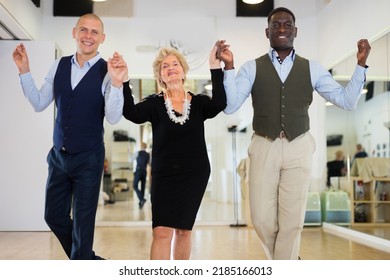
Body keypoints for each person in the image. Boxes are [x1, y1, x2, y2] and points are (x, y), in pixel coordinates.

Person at [217, 7, 371, 260]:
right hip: (264, 144)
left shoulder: (312, 68)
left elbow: (347, 101)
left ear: (295, 31)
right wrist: (229, 67)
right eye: (276, 25)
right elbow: (231, 105)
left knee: (293, 220)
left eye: (287, 24)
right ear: (267, 32)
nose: (281, 29)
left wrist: (360, 64)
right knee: (261, 218)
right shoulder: (251, 67)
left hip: (299, 145)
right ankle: (289, 261)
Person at [12, 13, 127, 260]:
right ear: (74, 33)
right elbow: (40, 103)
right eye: (83, 30)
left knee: (83, 227)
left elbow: (114, 117)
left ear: (102, 38)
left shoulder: (108, 72)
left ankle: (82, 262)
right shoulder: (59, 65)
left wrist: (117, 83)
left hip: (89, 157)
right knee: (53, 216)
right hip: (58, 157)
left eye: (94, 32)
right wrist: (24, 71)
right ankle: (88, 262)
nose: (88, 36)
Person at [122, 45, 226, 259]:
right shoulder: (154, 104)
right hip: (164, 176)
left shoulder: (198, 103)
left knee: (184, 231)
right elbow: (131, 113)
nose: (170, 68)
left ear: (183, 70)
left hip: (194, 175)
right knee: (161, 232)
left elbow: (220, 103)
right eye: (164, 66)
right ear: (159, 75)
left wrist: (215, 67)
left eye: (175, 64)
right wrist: (124, 81)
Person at [130, 142, 150, 209]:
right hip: (144, 171)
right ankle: (141, 202)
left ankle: (141, 199)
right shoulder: (148, 155)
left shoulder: (137, 153)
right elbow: (149, 163)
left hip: (138, 171)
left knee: (135, 186)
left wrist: (129, 153)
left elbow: (130, 160)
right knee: (143, 187)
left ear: (141, 147)